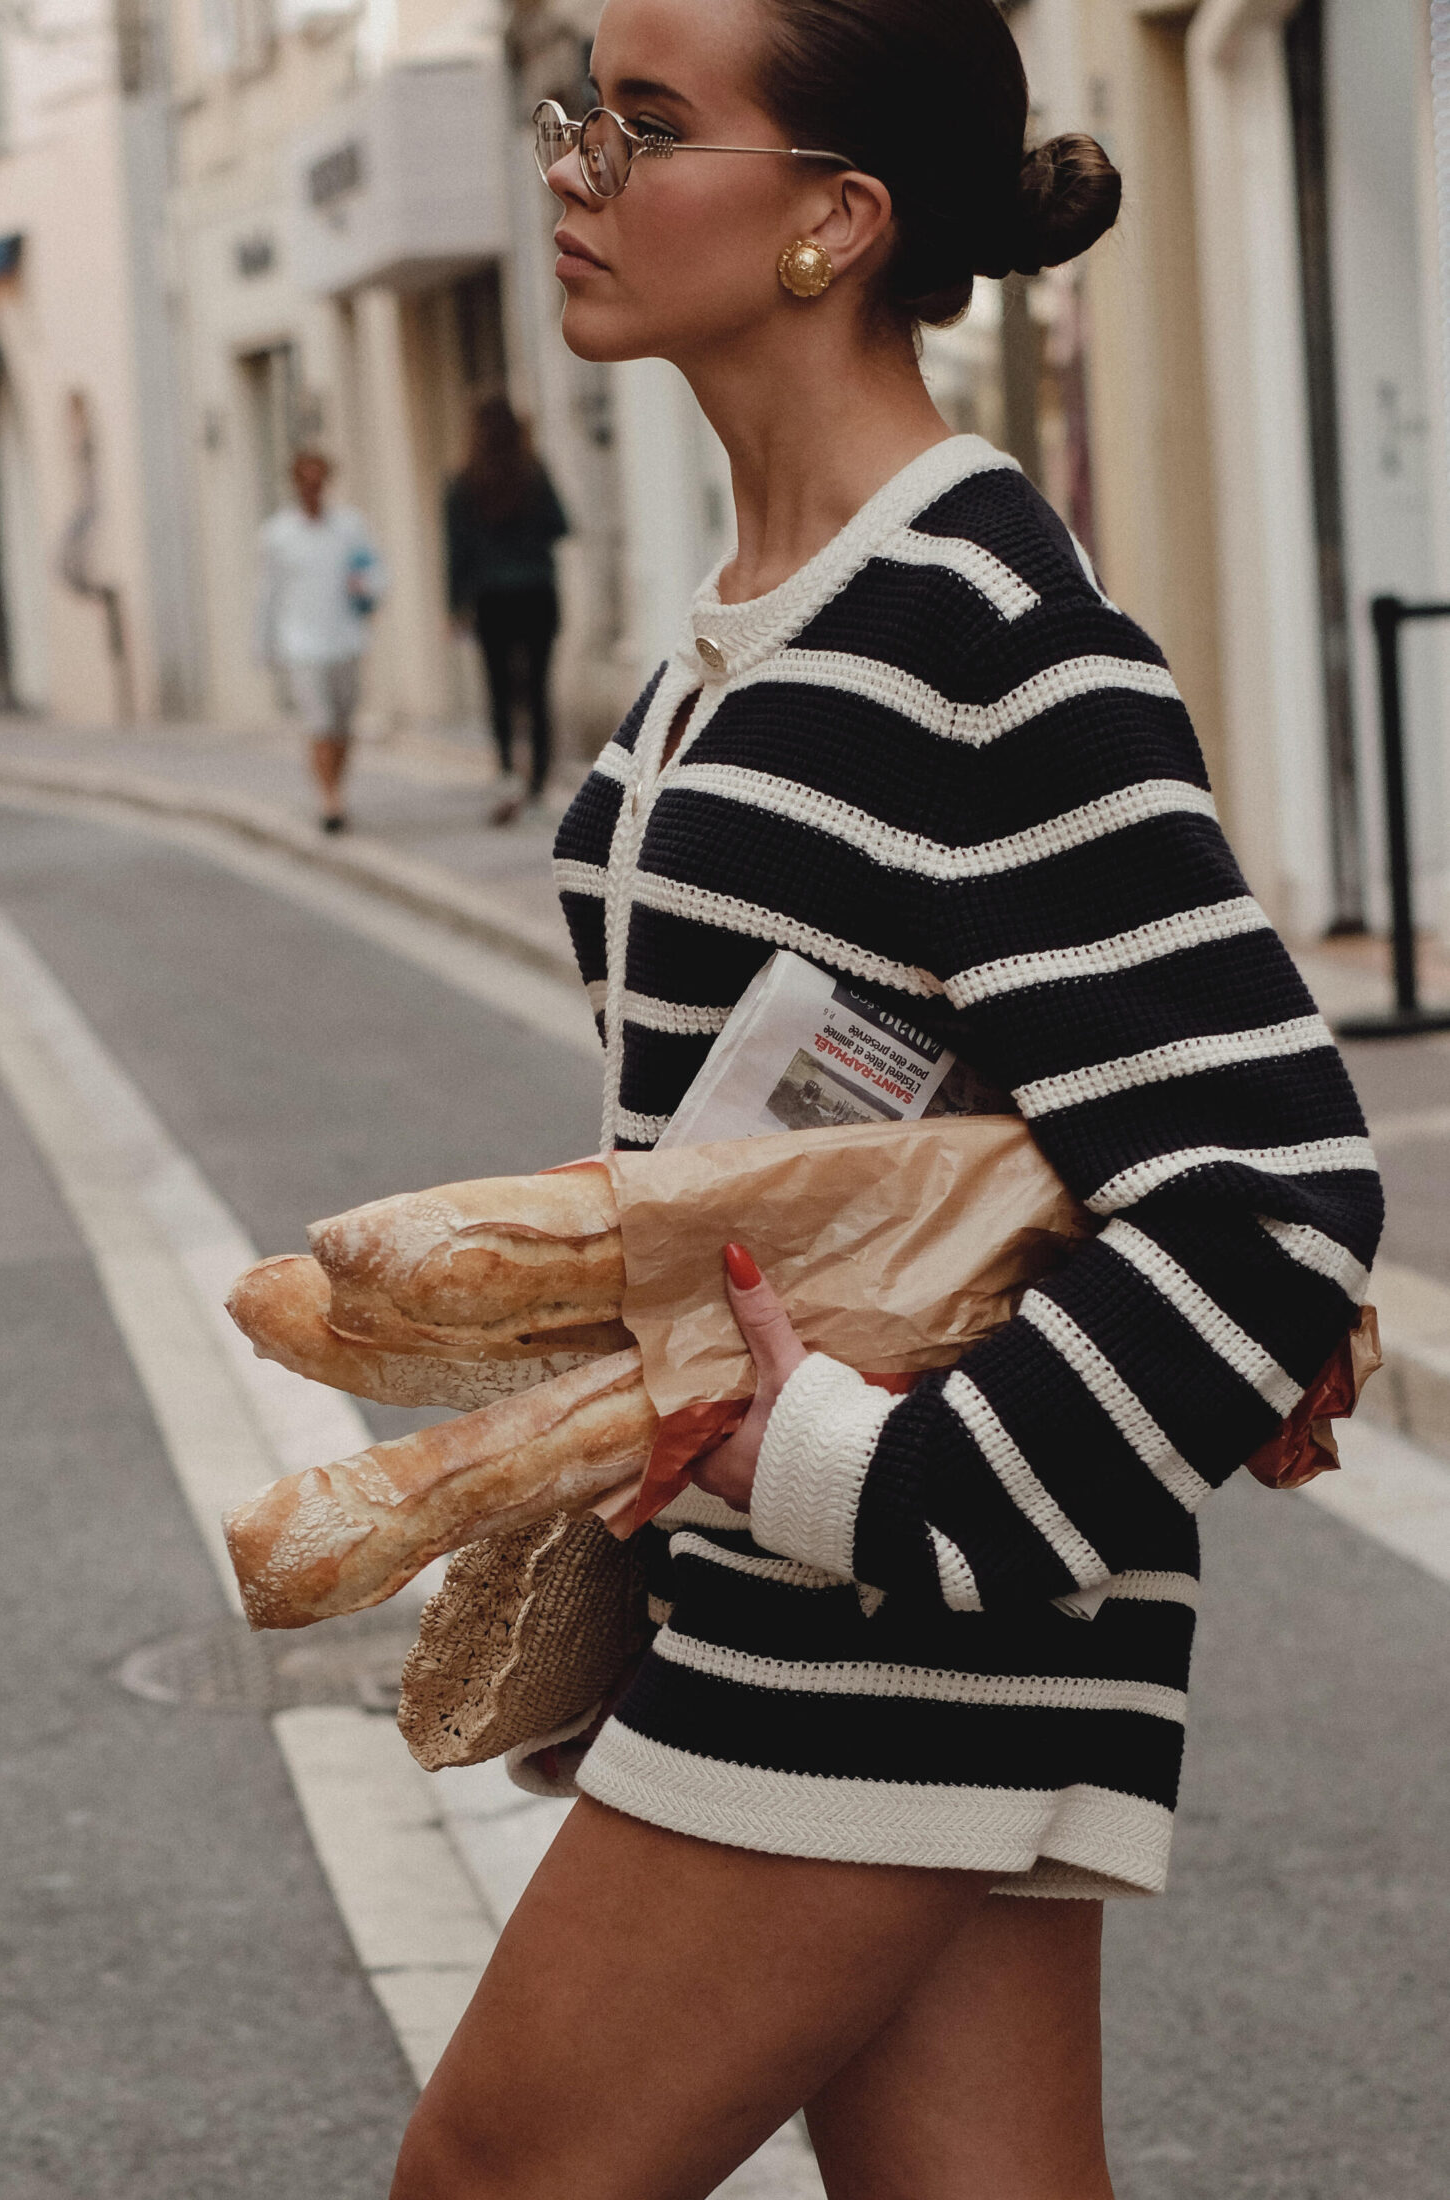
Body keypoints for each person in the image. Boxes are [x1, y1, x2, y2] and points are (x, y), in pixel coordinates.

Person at [392, 2, 1384, 2194]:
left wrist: (864, 1479)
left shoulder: (980, 629)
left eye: (643, 127)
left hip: (883, 1621)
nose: (571, 167)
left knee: (488, 2173)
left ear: (836, 221)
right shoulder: (760, 612)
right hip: (842, 1596)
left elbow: (1265, 1182)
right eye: (576, 109)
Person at [445, 396, 569, 823]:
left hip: (490, 598)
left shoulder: (463, 482)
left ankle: (505, 768)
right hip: (537, 591)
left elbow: (456, 551)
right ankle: (538, 777)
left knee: (498, 686)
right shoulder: (533, 473)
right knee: (537, 687)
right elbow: (561, 526)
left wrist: (454, 607)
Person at [255, 449, 384, 834]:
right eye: (305, 482)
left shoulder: (350, 527)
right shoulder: (277, 535)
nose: (312, 489)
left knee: (343, 722)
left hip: (345, 638)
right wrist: (264, 646)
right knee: (320, 722)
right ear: (295, 484)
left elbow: (375, 571)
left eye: (318, 481)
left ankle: (336, 785)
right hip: (301, 644)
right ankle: (330, 800)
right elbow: (267, 594)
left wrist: (368, 588)